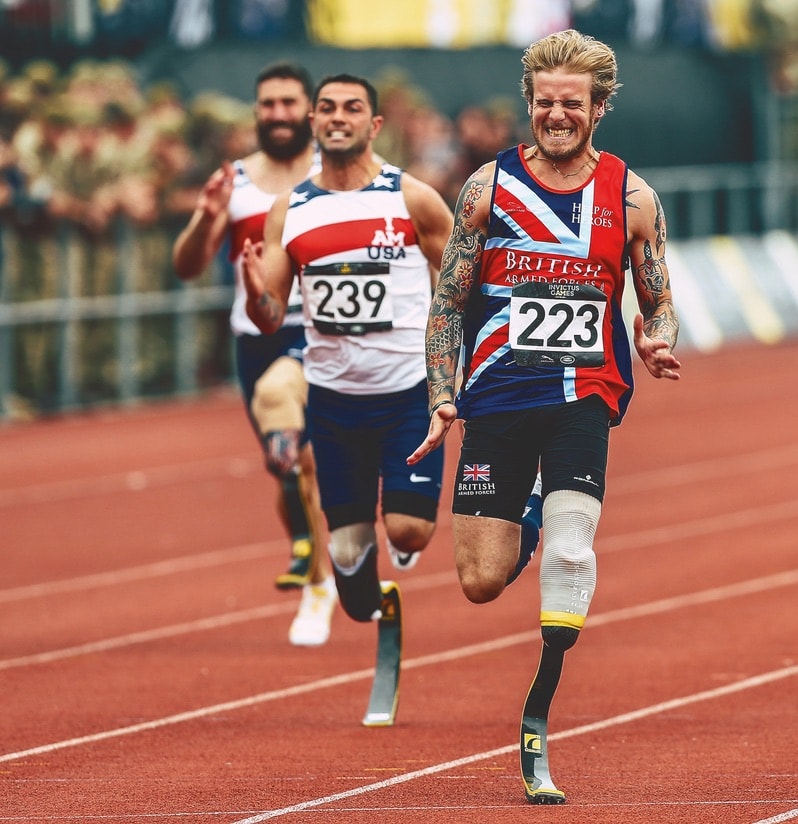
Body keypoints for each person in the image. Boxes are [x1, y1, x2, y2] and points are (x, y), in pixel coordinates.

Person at [407, 29, 681, 803]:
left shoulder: (632, 199)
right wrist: (441, 392)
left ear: (600, 108)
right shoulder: (487, 190)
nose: (557, 116)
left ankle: (537, 723)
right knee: (480, 581)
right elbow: (447, 306)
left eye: (572, 105)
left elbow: (659, 302)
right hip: (497, 399)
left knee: (569, 556)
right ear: (528, 103)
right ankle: (524, 511)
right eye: (544, 103)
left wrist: (656, 340)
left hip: (581, 400)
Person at [240, 73, 456, 641]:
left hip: (407, 393)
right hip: (334, 403)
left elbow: (461, 282)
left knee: (409, 531)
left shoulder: (411, 198)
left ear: (373, 124)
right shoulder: (291, 210)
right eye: (327, 108)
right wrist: (250, 291)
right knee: (356, 588)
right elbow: (269, 316)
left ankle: (401, 535)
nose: (338, 117)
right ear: (313, 122)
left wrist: (451, 369)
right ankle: (357, 581)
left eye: (352, 108)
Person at [172, 61, 336, 647]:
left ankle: (322, 576)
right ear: (256, 112)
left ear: (311, 112)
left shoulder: (334, 175)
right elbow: (188, 267)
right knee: (287, 461)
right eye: (268, 104)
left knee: (309, 454)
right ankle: (320, 572)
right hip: (256, 337)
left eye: (290, 103)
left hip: (325, 333)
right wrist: (205, 218)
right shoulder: (234, 181)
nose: (279, 114)